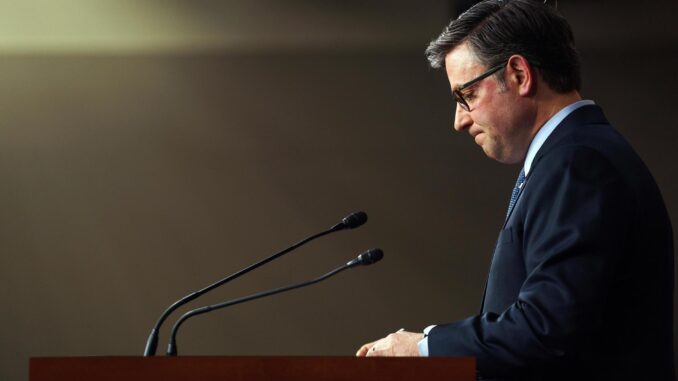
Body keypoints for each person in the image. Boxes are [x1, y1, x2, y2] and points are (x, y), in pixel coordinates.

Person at [355, 1, 675, 380]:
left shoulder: (577, 163)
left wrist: (423, 348)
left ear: (520, 74)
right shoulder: (572, 156)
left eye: (467, 95)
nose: (459, 120)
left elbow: (546, 329)